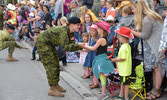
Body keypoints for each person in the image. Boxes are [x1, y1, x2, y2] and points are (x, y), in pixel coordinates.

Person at [36, 17, 82, 97]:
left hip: (50, 44)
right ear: (71, 24)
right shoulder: (64, 31)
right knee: (51, 65)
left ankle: (55, 85)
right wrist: (79, 46)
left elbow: (71, 46)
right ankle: (52, 89)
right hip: (43, 42)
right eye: (77, 25)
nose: (79, 26)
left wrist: (82, 47)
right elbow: (65, 47)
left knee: (56, 64)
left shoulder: (71, 33)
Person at [131, 0, 166, 99]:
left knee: (157, 68)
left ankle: (157, 91)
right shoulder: (148, 17)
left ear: (138, 9)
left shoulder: (147, 19)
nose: (133, 11)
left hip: (156, 46)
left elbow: (145, 36)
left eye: (133, 9)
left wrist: (131, 32)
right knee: (155, 68)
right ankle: (155, 89)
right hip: (155, 45)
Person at [79, 21, 115, 100]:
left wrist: (83, 46)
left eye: (98, 28)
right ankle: (103, 91)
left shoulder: (101, 39)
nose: (97, 30)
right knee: (102, 76)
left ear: (102, 30)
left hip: (101, 59)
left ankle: (103, 93)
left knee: (102, 76)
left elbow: (93, 48)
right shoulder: (102, 39)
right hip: (100, 58)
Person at [112, 27, 133, 100]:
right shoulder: (127, 46)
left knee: (125, 84)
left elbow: (123, 58)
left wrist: (115, 59)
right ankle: (121, 95)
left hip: (124, 70)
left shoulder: (124, 47)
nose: (118, 38)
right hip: (124, 69)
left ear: (122, 37)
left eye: (119, 36)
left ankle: (126, 97)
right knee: (122, 83)